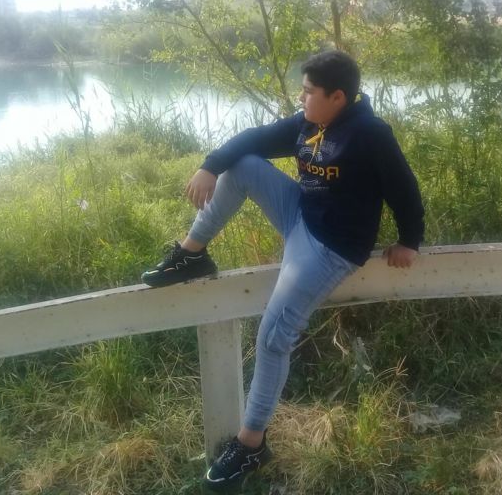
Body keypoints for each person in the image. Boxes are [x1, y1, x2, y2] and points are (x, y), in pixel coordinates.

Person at [141, 50, 425, 491]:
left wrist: (409, 240)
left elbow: (403, 188)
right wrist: (210, 165)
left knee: (274, 335)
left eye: (309, 92)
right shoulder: (309, 122)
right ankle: (191, 253)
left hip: (331, 248)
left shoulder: (370, 133)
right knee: (243, 166)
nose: (301, 98)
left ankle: (251, 444)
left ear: (338, 97)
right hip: (300, 215)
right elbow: (254, 138)